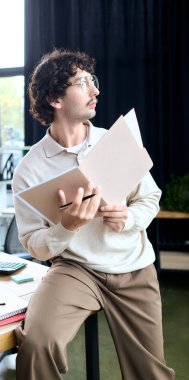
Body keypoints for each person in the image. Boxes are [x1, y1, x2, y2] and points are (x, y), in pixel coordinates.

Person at [12, 49, 175, 380]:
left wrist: (127, 217)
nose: (95, 91)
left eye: (93, 80)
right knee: (36, 345)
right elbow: (34, 244)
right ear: (55, 98)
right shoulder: (29, 169)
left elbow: (151, 196)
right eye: (83, 82)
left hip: (132, 267)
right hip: (75, 269)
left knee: (151, 373)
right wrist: (66, 227)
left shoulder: (116, 142)